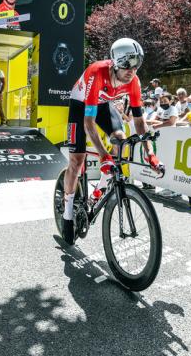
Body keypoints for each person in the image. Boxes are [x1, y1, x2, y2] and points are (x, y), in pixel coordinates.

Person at [62, 38, 162, 244]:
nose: (131, 70)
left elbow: (139, 121)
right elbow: (88, 122)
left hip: (104, 104)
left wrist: (150, 154)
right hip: (81, 105)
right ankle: (67, 213)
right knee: (77, 160)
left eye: (136, 64)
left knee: (121, 140)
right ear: (115, 62)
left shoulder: (134, 81)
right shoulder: (97, 72)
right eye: (127, 64)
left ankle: (99, 190)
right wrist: (102, 155)